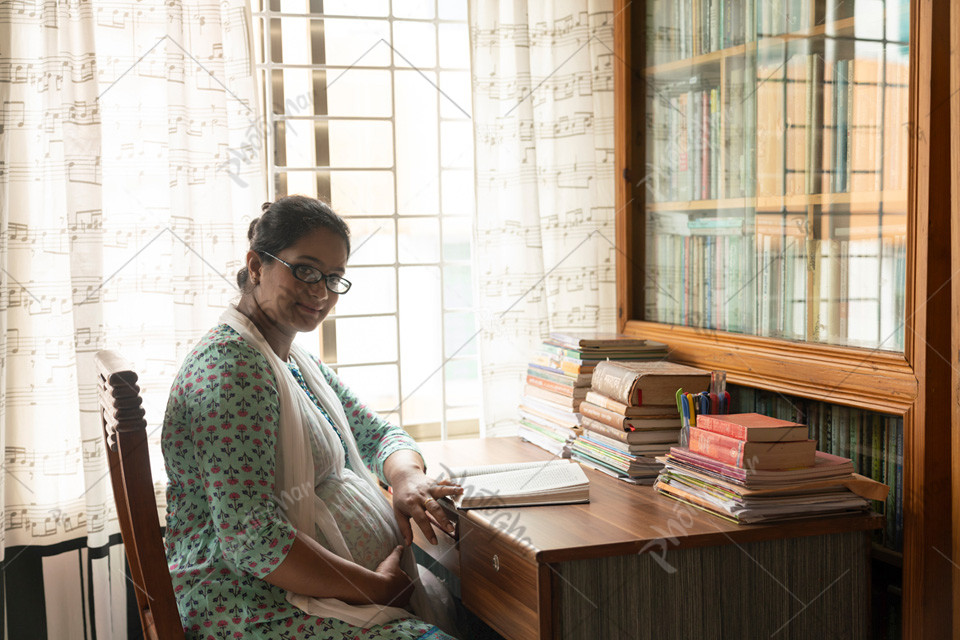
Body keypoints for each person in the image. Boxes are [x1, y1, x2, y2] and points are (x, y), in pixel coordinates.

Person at [161, 196, 462, 639]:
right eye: (304, 269)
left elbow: (377, 433)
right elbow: (251, 539)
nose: (320, 291)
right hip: (248, 605)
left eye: (334, 277)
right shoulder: (233, 370)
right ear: (257, 265)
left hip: (315, 594)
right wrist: (377, 588)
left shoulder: (292, 359)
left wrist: (406, 479)